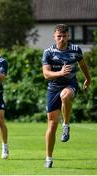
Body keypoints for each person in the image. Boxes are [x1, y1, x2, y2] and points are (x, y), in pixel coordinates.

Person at [41, 24, 91, 168]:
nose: (62, 39)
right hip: (53, 88)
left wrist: (88, 78)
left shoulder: (75, 50)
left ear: (68, 36)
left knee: (65, 95)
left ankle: (66, 125)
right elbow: (46, 74)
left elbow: (82, 65)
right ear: (54, 37)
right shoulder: (48, 53)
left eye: (64, 36)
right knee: (51, 124)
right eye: (59, 36)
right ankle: (48, 158)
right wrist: (60, 73)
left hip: (70, 84)